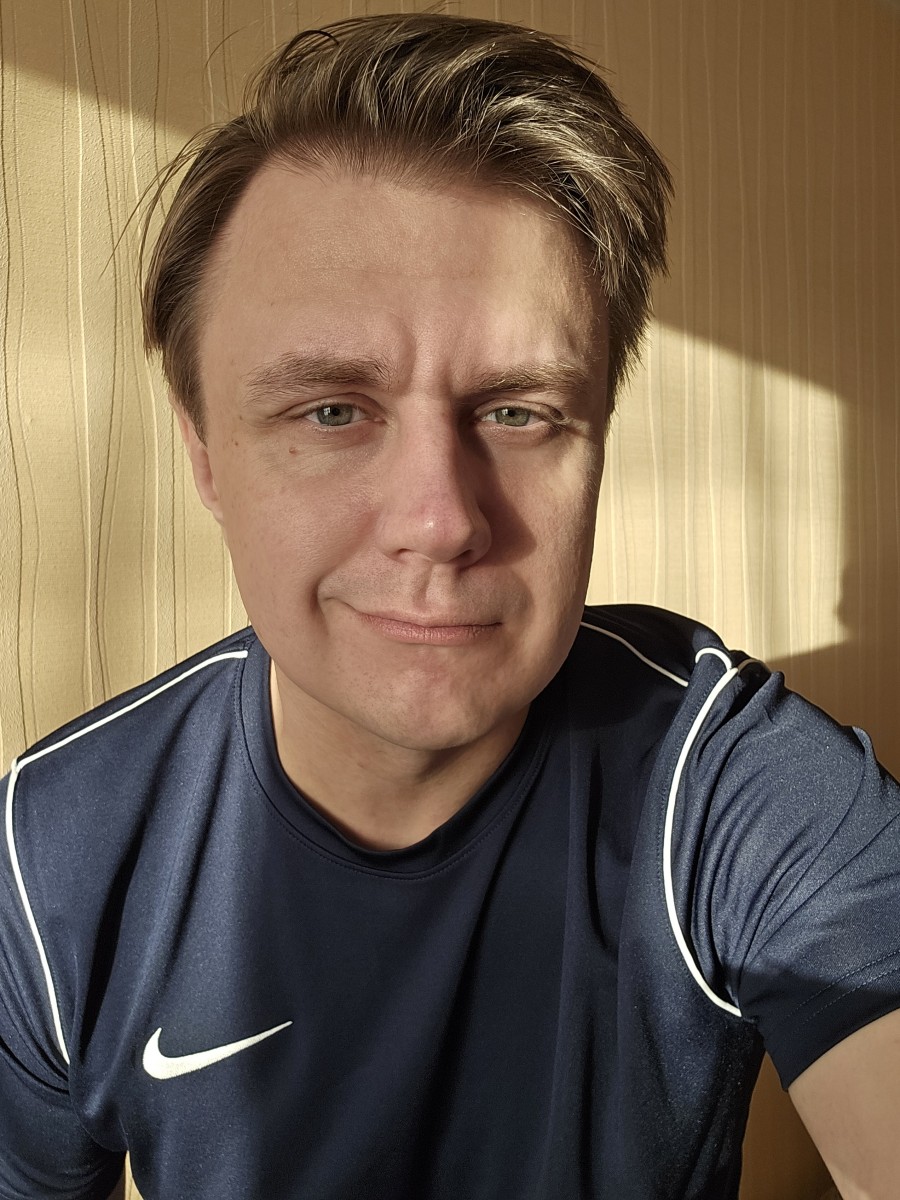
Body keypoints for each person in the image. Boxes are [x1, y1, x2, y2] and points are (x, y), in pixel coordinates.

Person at [1, 12, 897, 1199]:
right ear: (205, 453)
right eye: (331, 411)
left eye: (518, 411)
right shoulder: (58, 853)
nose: (441, 520)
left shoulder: (724, 782)